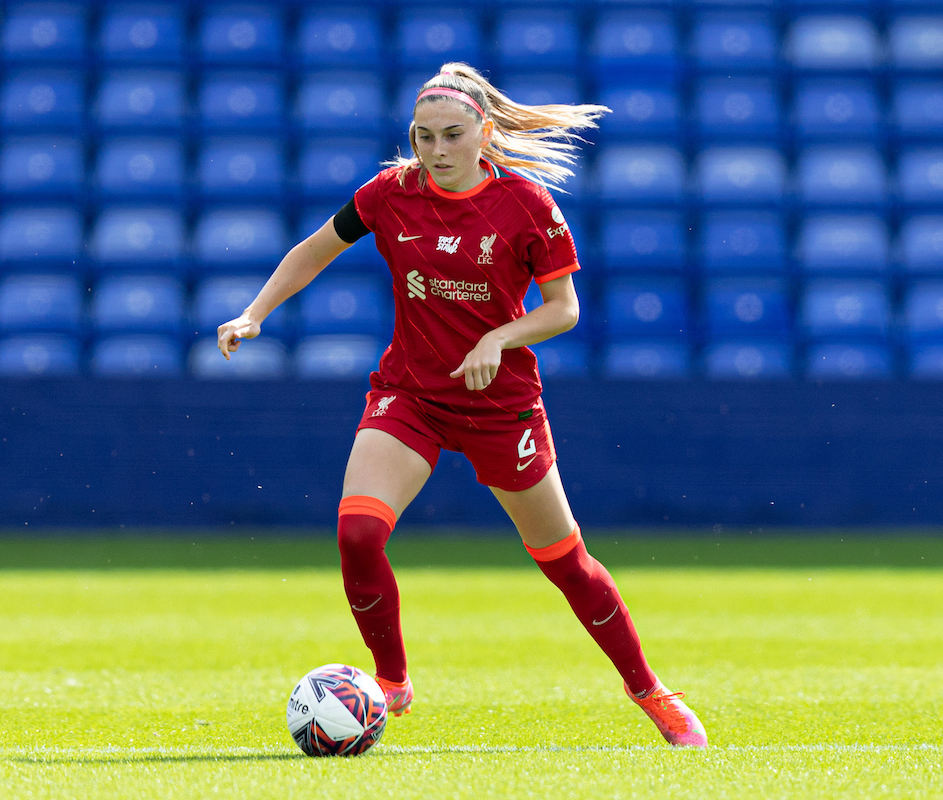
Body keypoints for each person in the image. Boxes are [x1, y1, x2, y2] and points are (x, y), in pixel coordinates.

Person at [218, 63, 707, 747]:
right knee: (358, 533)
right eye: (423, 137)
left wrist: (499, 337)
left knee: (565, 562)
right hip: (411, 394)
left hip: (500, 405)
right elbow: (315, 250)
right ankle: (390, 682)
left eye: (451, 135)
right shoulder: (391, 193)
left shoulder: (527, 205)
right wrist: (254, 313)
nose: (436, 151)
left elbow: (563, 311)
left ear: (483, 130)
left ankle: (650, 692)